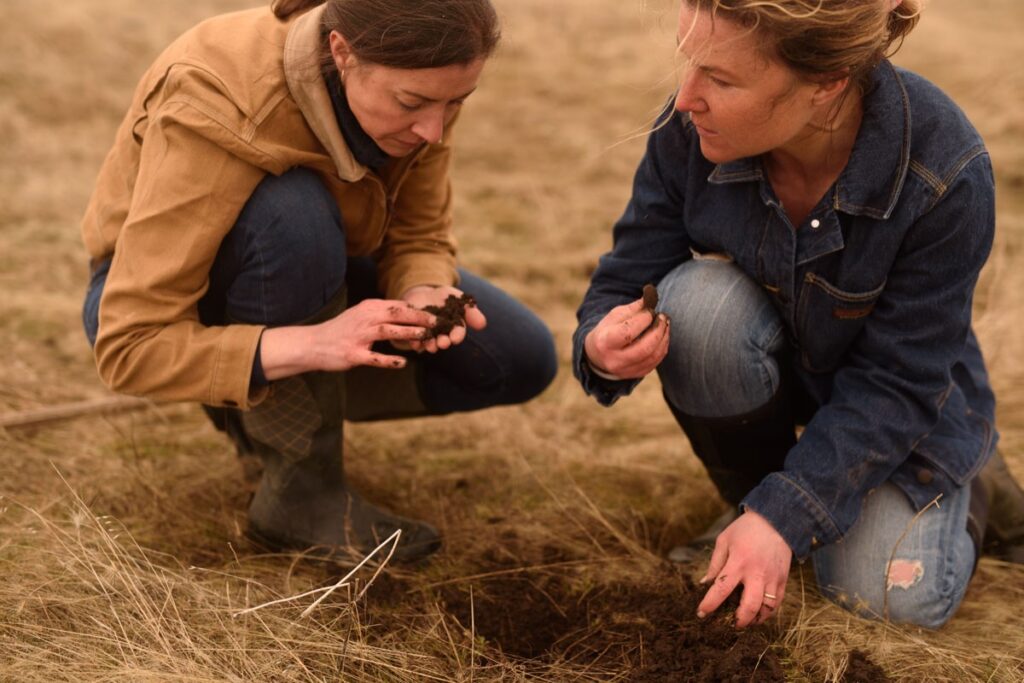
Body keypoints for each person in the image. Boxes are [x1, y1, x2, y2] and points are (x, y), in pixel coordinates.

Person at [574, 0, 1024, 629]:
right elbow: (629, 273)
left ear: (827, 83)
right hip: (785, 375)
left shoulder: (945, 171)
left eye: (720, 79)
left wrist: (792, 511)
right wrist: (599, 342)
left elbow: (899, 380)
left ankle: (973, 480)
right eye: (689, 65)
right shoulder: (690, 132)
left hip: (901, 410)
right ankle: (756, 507)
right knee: (697, 306)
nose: (685, 98)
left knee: (889, 598)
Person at [81, 0, 557, 564]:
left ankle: (250, 400)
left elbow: (420, 230)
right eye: (412, 103)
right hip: (174, 300)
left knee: (514, 358)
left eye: (456, 103)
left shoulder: (424, 77)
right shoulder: (216, 100)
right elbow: (129, 345)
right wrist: (312, 344)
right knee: (292, 214)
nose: (433, 129)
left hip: (318, 266)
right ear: (341, 54)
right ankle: (300, 495)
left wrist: (421, 291)